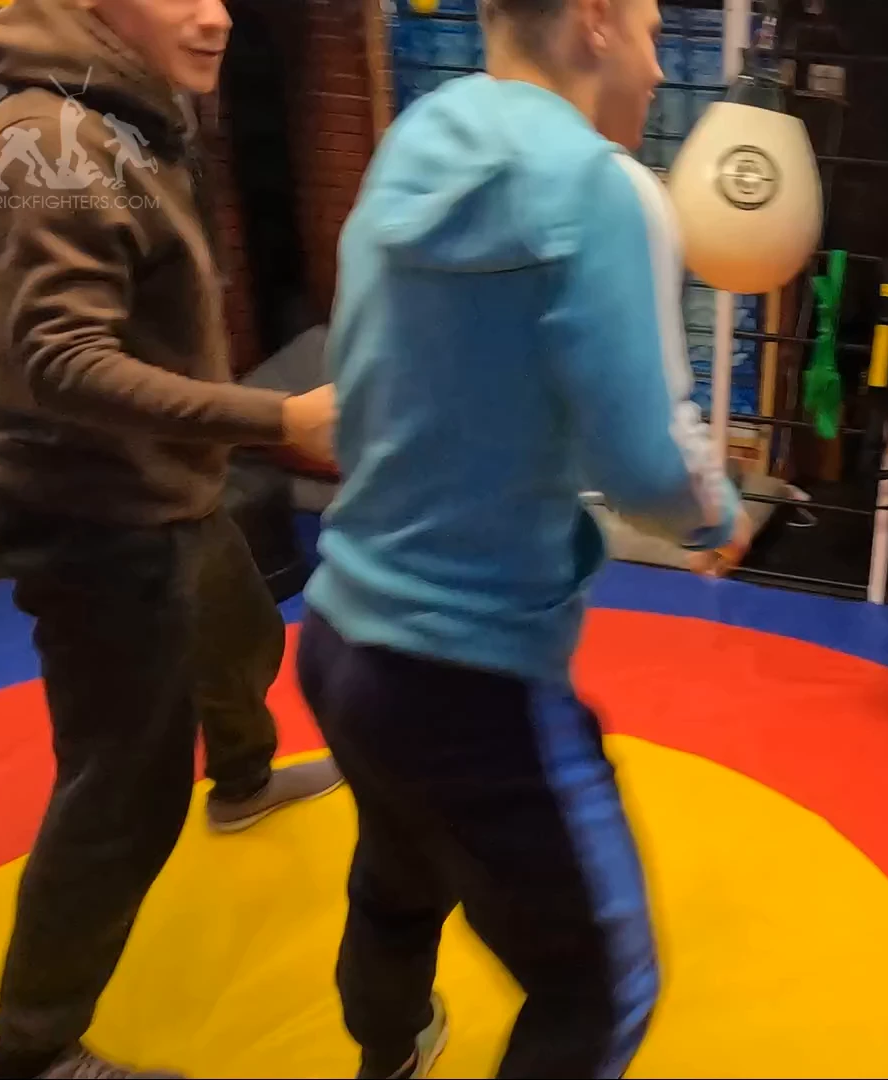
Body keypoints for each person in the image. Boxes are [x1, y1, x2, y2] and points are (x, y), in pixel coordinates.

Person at [294, 0, 752, 1075]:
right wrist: (718, 515)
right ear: (593, 21)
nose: (657, 64)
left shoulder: (411, 143)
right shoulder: (601, 188)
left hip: (338, 639)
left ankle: (388, 1052)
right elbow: (648, 466)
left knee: (400, 870)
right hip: (468, 683)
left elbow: (358, 399)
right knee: (606, 986)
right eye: (649, 27)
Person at [0, 0, 344, 1075]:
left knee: (236, 629)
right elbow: (62, 361)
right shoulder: (48, 140)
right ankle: (31, 1049)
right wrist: (277, 417)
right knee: (123, 787)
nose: (216, 16)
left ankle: (244, 778)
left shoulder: (127, 117)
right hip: (93, 514)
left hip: (165, 484)